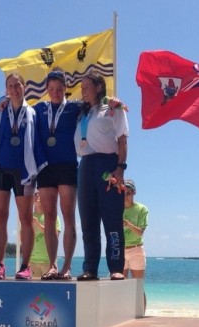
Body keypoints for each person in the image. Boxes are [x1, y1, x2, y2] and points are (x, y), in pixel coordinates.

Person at [0, 72, 42, 280]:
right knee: (0, 215)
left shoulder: (34, 113)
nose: (14, 89)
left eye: (18, 85)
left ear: (25, 87)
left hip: (24, 171)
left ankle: (25, 266)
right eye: (10, 86)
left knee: (26, 218)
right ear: (5, 90)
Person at [74, 71, 129, 281]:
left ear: (99, 87)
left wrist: (121, 167)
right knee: (88, 221)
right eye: (82, 87)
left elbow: (122, 140)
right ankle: (90, 268)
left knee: (112, 219)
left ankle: (116, 267)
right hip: (85, 165)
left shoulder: (113, 108)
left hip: (108, 164)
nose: (83, 90)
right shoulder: (81, 112)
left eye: (87, 86)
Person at [32, 70, 83, 280]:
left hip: (68, 165)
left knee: (68, 216)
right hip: (45, 167)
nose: (55, 93)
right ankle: (52, 265)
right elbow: (15, 106)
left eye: (59, 89)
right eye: (51, 89)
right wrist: (2, 102)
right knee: (50, 216)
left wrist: (112, 101)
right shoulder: (38, 108)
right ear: (46, 90)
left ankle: (67, 266)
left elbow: (98, 103)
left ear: (65, 89)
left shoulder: (74, 107)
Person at [122, 179, 149, 307]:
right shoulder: (116, 208)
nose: (126, 196)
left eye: (129, 193)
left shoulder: (141, 209)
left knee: (138, 287)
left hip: (136, 249)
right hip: (120, 249)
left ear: (134, 193)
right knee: (120, 287)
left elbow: (140, 232)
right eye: (123, 192)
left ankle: (141, 316)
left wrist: (127, 224)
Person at [30, 190, 61, 278]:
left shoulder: (52, 216)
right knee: (33, 291)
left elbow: (55, 235)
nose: (36, 195)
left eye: (38, 193)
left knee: (50, 291)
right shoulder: (28, 216)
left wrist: (38, 225)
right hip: (32, 261)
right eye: (34, 194)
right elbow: (23, 238)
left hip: (48, 261)